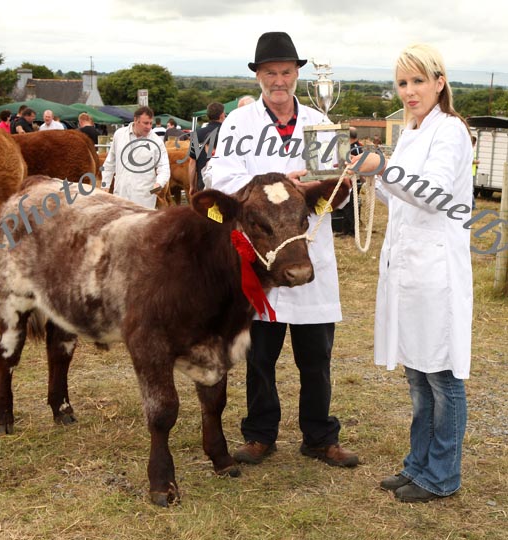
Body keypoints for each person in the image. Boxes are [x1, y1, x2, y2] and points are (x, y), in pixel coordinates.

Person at [212, 31, 358, 468]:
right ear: (258, 76)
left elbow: (338, 197)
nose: (279, 80)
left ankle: (319, 435)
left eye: (287, 72)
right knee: (260, 357)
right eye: (271, 72)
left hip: (310, 251)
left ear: (298, 75)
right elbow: (221, 182)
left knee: (316, 357)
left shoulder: (320, 122)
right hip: (262, 261)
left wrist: (335, 187)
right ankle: (260, 434)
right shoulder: (238, 125)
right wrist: (279, 185)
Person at [351, 43, 473, 503]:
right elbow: (399, 196)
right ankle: (418, 465)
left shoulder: (451, 131)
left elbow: (435, 193)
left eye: (418, 81)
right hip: (406, 264)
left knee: (441, 375)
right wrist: (374, 177)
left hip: (436, 266)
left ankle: (442, 475)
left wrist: (385, 169)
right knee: (418, 376)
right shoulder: (411, 130)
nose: (409, 91)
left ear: (439, 82)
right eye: (403, 83)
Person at [101, 106, 170, 208]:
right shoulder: (119, 135)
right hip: (121, 194)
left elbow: (164, 167)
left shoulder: (157, 142)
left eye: (151, 123)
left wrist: (159, 183)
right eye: (145, 123)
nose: (149, 127)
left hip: (143, 198)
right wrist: (105, 185)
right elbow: (110, 163)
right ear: (135, 120)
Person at [188, 102, 225, 194]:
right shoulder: (228, 132)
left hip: (203, 184)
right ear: (222, 115)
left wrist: (192, 185)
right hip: (224, 184)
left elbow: (192, 162)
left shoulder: (197, 134)